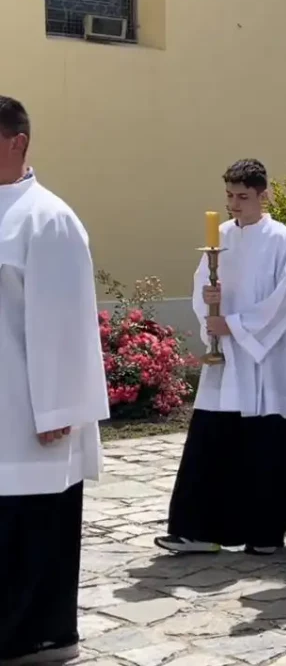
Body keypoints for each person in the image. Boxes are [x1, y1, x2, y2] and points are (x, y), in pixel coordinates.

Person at [0, 95, 110, 664]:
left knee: (32, 524)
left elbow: (65, 318)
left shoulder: (48, 216)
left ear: (18, 142)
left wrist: (61, 408)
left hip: (28, 407)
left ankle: (39, 636)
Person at [156, 159, 286, 557]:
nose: (234, 205)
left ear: (263, 195)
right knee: (210, 440)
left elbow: (285, 300)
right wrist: (208, 307)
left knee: (263, 442)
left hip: (262, 360)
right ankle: (198, 531)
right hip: (224, 361)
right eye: (229, 196)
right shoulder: (219, 236)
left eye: (243, 196)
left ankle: (264, 531)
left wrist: (236, 325)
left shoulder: (282, 240)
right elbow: (200, 284)